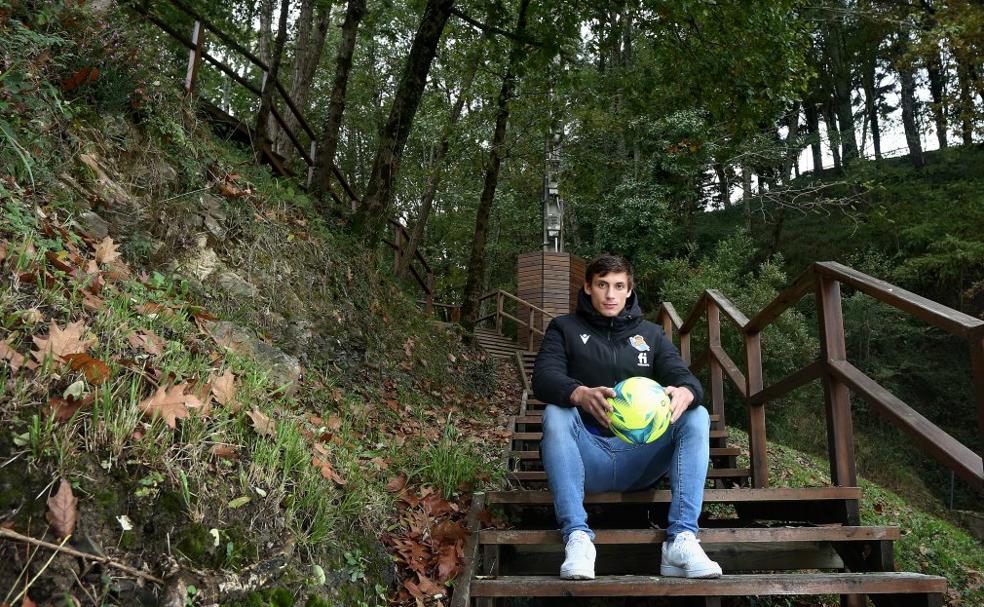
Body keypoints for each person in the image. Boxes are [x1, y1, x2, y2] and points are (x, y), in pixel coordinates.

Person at [531, 253, 722, 580]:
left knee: (696, 414)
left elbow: (685, 377)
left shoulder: (650, 334)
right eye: (602, 285)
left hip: (640, 459)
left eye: (619, 286)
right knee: (556, 412)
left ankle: (681, 539)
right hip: (586, 458)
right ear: (588, 287)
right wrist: (579, 393)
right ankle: (577, 537)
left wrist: (687, 391)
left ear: (629, 290)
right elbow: (544, 378)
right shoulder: (564, 328)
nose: (610, 294)